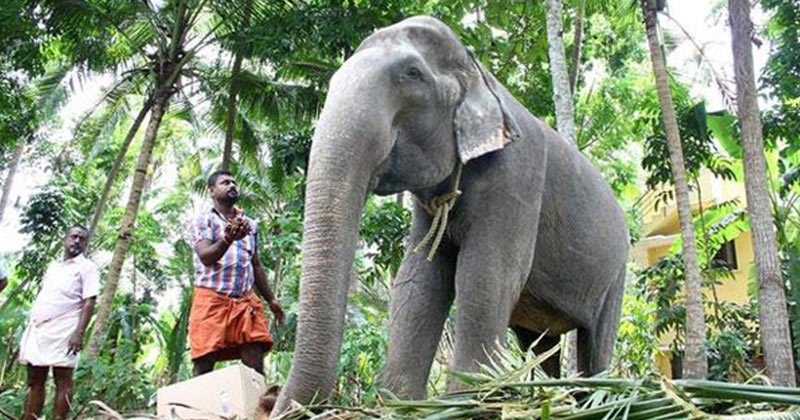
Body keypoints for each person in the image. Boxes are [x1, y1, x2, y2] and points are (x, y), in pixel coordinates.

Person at [188, 170, 285, 376]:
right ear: (212, 191)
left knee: (254, 352)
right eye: (225, 183)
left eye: (234, 182)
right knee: (204, 360)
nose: (232, 185)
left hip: (244, 301)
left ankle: (257, 406)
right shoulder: (203, 220)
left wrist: (271, 300)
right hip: (212, 299)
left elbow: (255, 264)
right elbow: (206, 256)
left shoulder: (249, 224)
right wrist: (228, 239)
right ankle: (198, 406)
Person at [18, 225, 99, 420]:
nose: (77, 241)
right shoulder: (53, 267)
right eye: (74, 237)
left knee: (63, 380)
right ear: (65, 240)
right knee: (35, 380)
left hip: (66, 328)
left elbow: (90, 301)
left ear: (86, 244)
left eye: (82, 239)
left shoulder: (87, 268)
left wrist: (79, 333)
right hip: (40, 328)